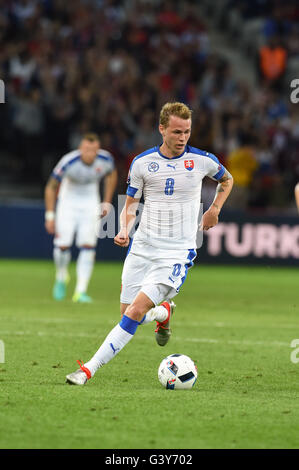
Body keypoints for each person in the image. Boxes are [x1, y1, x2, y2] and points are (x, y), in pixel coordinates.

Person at [66, 102, 233, 385]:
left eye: (187, 132)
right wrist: (124, 230)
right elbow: (131, 203)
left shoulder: (202, 160)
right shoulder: (142, 163)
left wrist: (215, 208)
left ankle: (87, 370)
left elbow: (227, 180)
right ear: (162, 129)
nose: (183, 138)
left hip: (176, 253)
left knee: (133, 312)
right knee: (127, 314)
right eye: (177, 131)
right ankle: (163, 311)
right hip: (142, 247)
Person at [44, 133, 117, 303]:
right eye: (86, 149)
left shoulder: (105, 160)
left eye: (93, 150)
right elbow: (50, 187)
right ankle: (61, 276)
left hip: (90, 201)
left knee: (88, 246)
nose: (90, 153)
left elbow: (111, 175)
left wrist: (106, 201)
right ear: (80, 149)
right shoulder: (69, 162)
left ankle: (81, 291)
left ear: (98, 150)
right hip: (68, 202)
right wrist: (50, 215)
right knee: (62, 245)